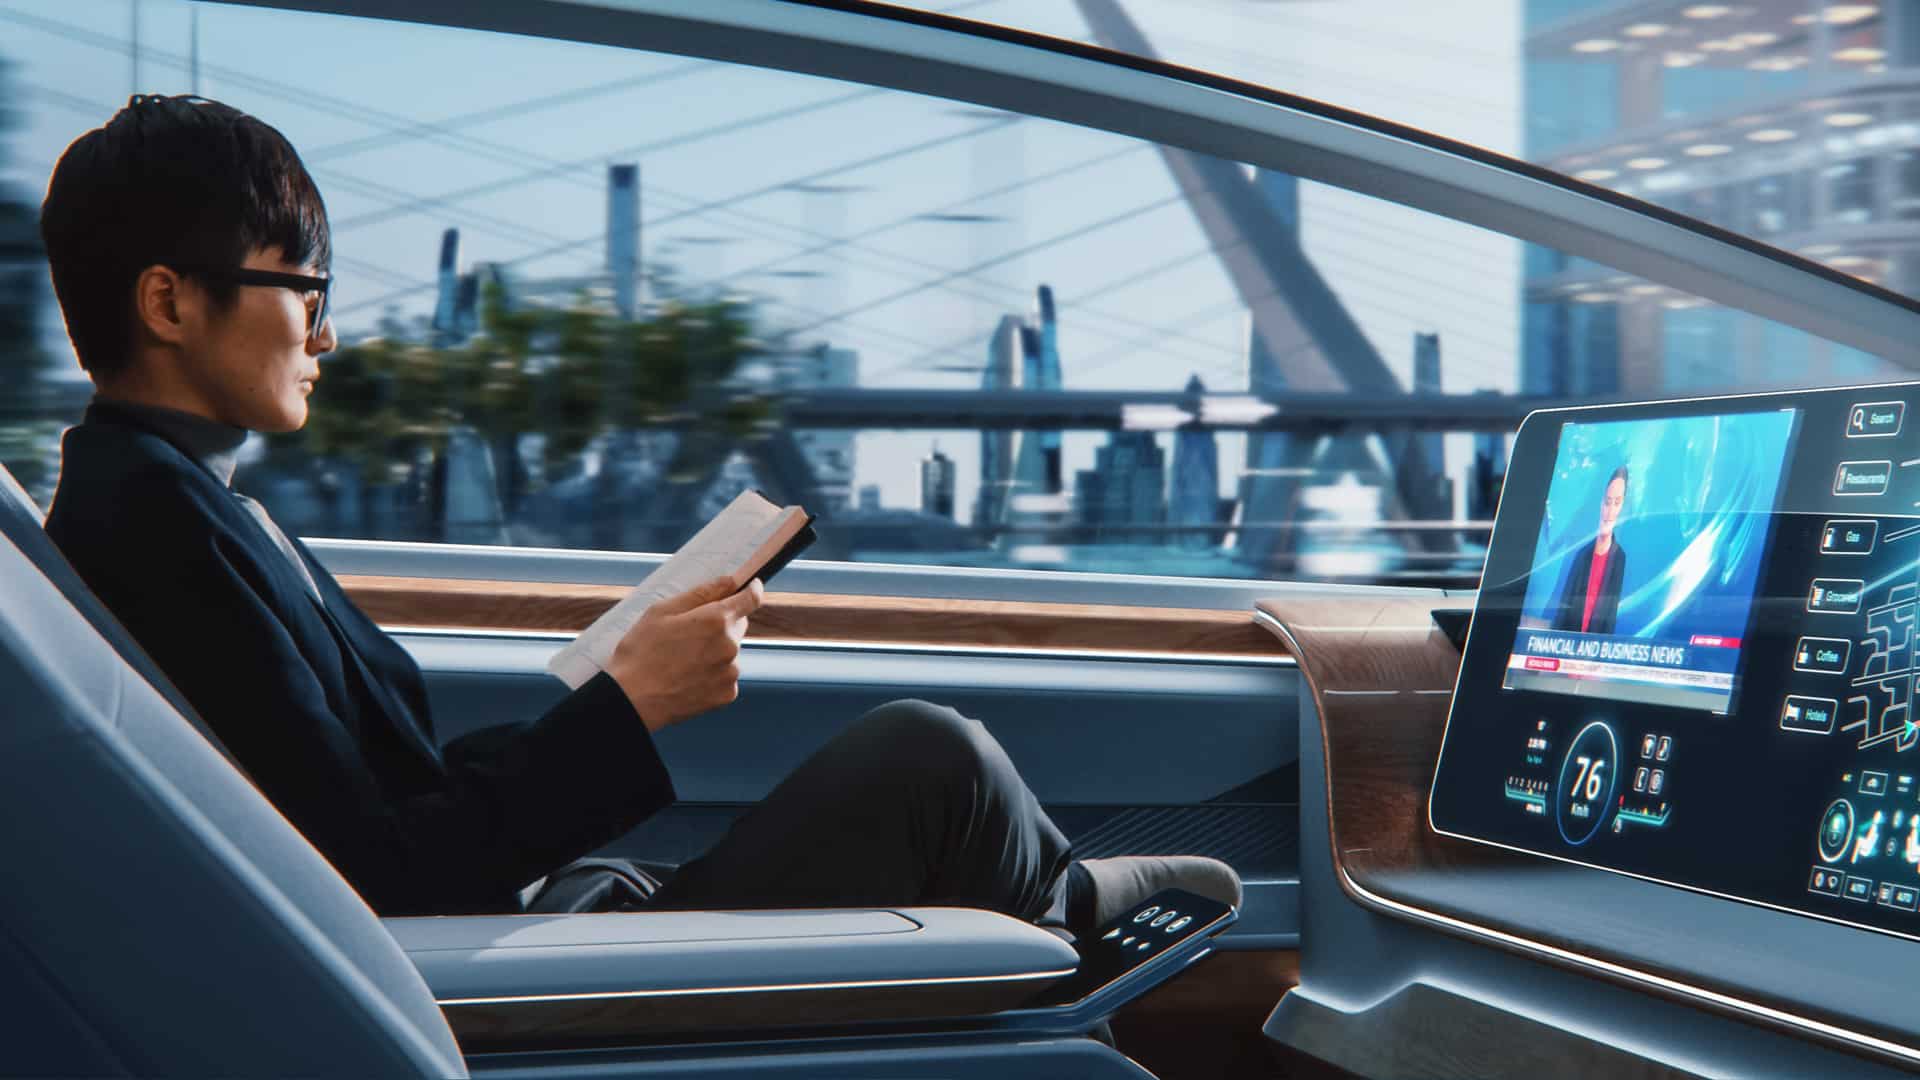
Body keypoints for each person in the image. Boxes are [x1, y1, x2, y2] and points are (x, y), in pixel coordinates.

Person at [37, 95, 1238, 933]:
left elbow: (373, 803)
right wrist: (630, 707)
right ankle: (1064, 908)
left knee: (928, 766)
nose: (329, 332)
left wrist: (605, 694)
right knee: (936, 761)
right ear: (170, 302)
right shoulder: (159, 535)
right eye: (304, 288)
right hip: (468, 968)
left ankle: (1053, 897)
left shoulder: (184, 506)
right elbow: (377, 877)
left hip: (507, 920)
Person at [1548, 466, 1629, 636]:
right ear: (1600, 504)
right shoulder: (1581, 555)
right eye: (1607, 502)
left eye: (1617, 503)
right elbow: (1561, 610)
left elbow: (1611, 620)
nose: (1610, 511)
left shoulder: (1621, 559)